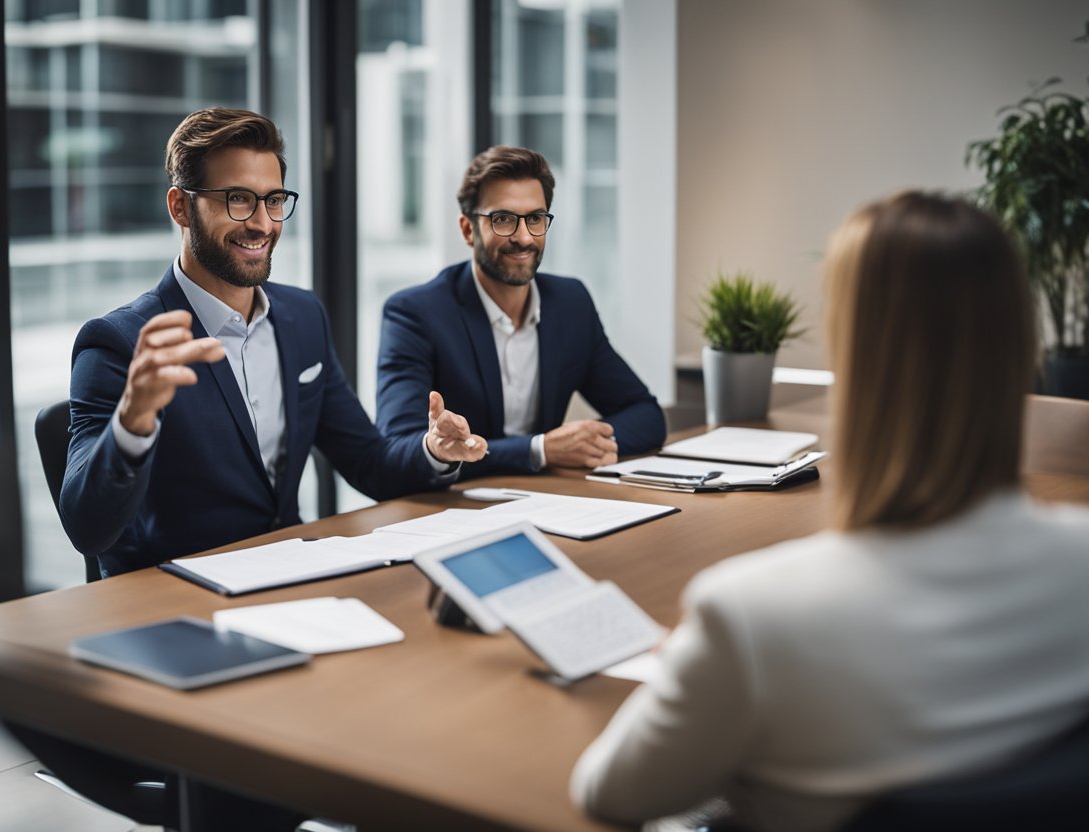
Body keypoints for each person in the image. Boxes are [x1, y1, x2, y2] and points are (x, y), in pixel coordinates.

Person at [569, 192, 1089, 831]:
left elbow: (610, 795)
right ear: (1017, 345)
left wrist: (694, 667)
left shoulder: (751, 617)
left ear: (861, 360)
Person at [61, 107, 486, 577]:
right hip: (175, 599)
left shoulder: (302, 317)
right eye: (238, 200)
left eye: (274, 200)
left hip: (292, 575)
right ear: (181, 207)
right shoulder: (120, 344)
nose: (262, 223)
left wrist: (432, 450)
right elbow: (88, 531)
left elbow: (367, 459)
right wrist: (132, 422)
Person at [375, 145, 665, 479]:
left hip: (547, 500)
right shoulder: (415, 314)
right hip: (451, 510)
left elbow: (646, 415)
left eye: (536, 219)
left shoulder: (570, 303)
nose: (524, 237)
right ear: (469, 230)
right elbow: (397, 450)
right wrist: (540, 450)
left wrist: (581, 444)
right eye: (503, 220)